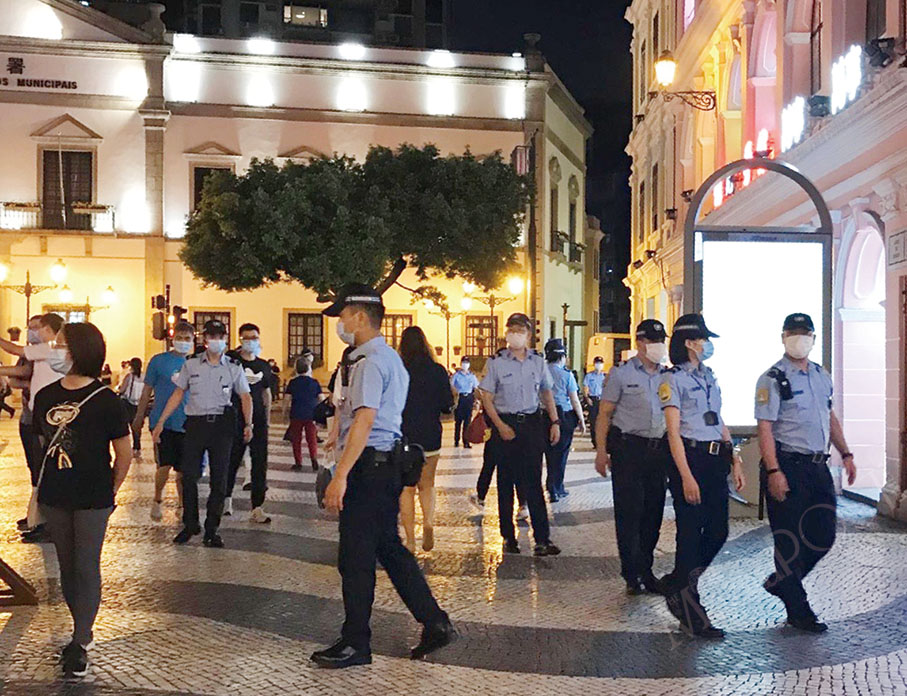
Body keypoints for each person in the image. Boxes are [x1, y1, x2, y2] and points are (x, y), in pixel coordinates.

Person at [311, 284, 455, 669]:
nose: (340, 322)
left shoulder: (371, 361)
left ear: (360, 316)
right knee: (389, 549)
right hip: (383, 465)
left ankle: (357, 642)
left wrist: (341, 474)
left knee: (355, 557)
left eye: (343, 314)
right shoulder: (386, 357)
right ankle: (435, 621)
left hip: (369, 468)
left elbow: (366, 418)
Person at [33, 322, 131, 678]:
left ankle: (81, 638)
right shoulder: (45, 396)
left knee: (86, 564)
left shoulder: (107, 400)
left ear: (81, 351)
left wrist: (113, 489)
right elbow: (44, 448)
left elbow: (124, 452)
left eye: (61, 344)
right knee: (66, 565)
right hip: (56, 495)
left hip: (92, 496)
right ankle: (79, 627)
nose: (54, 349)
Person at [755, 312, 856, 633]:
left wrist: (846, 453)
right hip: (787, 465)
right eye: (793, 333)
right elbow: (765, 428)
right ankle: (799, 610)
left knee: (823, 536)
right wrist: (773, 470)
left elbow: (830, 417)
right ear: (783, 337)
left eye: (805, 333)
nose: (799, 338)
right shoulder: (772, 378)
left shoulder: (820, 375)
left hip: (817, 467)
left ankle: (785, 582)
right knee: (788, 540)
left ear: (813, 338)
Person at [659, 313, 745, 639]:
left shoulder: (709, 377)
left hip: (714, 461)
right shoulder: (672, 380)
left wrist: (734, 457)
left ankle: (680, 584)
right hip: (690, 458)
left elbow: (718, 420)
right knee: (691, 534)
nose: (707, 345)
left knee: (719, 531)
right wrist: (685, 476)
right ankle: (691, 610)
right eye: (703, 339)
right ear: (688, 343)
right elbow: (673, 433)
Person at [152, 320, 252, 548]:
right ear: (205, 339)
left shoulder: (233, 367)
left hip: (221, 427)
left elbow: (245, 396)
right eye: (212, 336)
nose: (216, 340)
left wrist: (249, 424)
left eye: (220, 336)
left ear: (226, 339)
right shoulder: (192, 365)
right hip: (196, 425)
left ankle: (211, 529)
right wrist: (161, 422)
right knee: (188, 476)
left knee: (220, 479)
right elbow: (178, 394)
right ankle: (190, 524)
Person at [594, 320, 670, 595]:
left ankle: (646, 570)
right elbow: (604, 414)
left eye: (661, 340)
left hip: (658, 451)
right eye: (653, 341)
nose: (659, 346)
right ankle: (631, 573)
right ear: (640, 343)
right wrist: (601, 452)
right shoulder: (621, 374)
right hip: (629, 449)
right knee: (630, 513)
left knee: (653, 512)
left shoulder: (668, 375)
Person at [477, 313, 562, 556]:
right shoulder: (497, 362)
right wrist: (499, 426)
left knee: (534, 481)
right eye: (511, 329)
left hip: (532, 424)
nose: (515, 333)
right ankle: (507, 537)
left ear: (528, 334)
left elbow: (546, 393)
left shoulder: (537, 361)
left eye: (520, 329)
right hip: (506, 423)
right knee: (505, 481)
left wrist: (554, 421)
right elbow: (487, 398)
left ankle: (542, 539)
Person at [0, 313, 67, 541]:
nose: (34, 332)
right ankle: (39, 518)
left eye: (38, 328)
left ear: (48, 329)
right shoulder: (50, 350)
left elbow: (15, 351)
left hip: (45, 415)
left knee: (44, 466)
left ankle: (46, 522)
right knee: (40, 466)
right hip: (41, 413)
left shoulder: (48, 348)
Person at [398, 325, 454, 553]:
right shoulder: (438, 370)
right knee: (427, 484)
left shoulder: (399, 370)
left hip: (404, 436)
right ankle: (428, 523)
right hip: (430, 434)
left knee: (406, 488)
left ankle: (410, 540)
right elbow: (447, 406)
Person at [134, 322, 194, 521]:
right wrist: (139, 417)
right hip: (162, 421)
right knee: (164, 465)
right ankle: (157, 499)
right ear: (172, 337)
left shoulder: (195, 363)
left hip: (188, 422)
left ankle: (183, 504)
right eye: (180, 337)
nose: (183, 342)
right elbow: (146, 391)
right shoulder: (158, 361)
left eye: (187, 338)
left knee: (184, 469)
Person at [224, 323, 272, 523]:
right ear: (240, 339)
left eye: (254, 337)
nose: (250, 341)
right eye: (246, 338)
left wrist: (267, 418)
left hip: (259, 421)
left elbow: (266, 392)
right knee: (231, 460)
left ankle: (257, 506)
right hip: (235, 419)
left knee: (259, 463)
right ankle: (226, 499)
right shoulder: (232, 362)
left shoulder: (263, 366)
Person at [543, 338, 585, 502]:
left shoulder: (541, 372)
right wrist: (581, 419)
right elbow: (574, 399)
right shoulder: (566, 375)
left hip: (543, 416)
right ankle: (556, 487)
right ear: (562, 357)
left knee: (548, 453)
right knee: (560, 454)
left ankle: (551, 485)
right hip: (563, 416)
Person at [286, 357, 323, 471]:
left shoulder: (292, 382)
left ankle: (298, 462)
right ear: (308, 368)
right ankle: (314, 459)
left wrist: (284, 412)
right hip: (311, 413)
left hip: (296, 413)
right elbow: (321, 398)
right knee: (311, 438)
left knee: (296, 439)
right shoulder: (314, 382)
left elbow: (287, 399)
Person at [118, 357, 144, 459]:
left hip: (128, 404)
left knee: (129, 425)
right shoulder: (145, 377)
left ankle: (133, 447)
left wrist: (119, 391)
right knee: (137, 425)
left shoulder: (129, 377)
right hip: (141, 404)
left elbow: (123, 389)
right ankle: (137, 446)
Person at [451, 356, 478, 448]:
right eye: (464, 362)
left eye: (467, 362)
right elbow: (451, 386)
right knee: (458, 421)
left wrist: (477, 400)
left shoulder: (472, 376)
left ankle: (466, 441)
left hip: (469, 398)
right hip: (460, 398)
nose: (465, 364)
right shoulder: (456, 375)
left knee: (467, 421)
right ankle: (456, 440)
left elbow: (476, 387)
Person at [583, 356, 606, 448]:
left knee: (602, 422)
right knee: (593, 422)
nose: (599, 365)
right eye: (597, 363)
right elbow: (585, 388)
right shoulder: (589, 376)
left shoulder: (605, 376)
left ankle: (602, 442)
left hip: (602, 400)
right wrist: (587, 398)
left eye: (600, 363)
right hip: (593, 400)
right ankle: (595, 442)